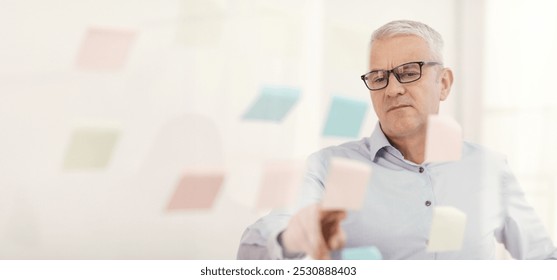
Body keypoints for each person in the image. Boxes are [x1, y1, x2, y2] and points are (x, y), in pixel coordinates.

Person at [237, 20, 557, 260]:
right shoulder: (330, 168)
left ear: (443, 83)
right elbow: (252, 250)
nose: (392, 89)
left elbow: (543, 259)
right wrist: (289, 237)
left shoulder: (487, 167)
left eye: (408, 71)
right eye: (379, 77)